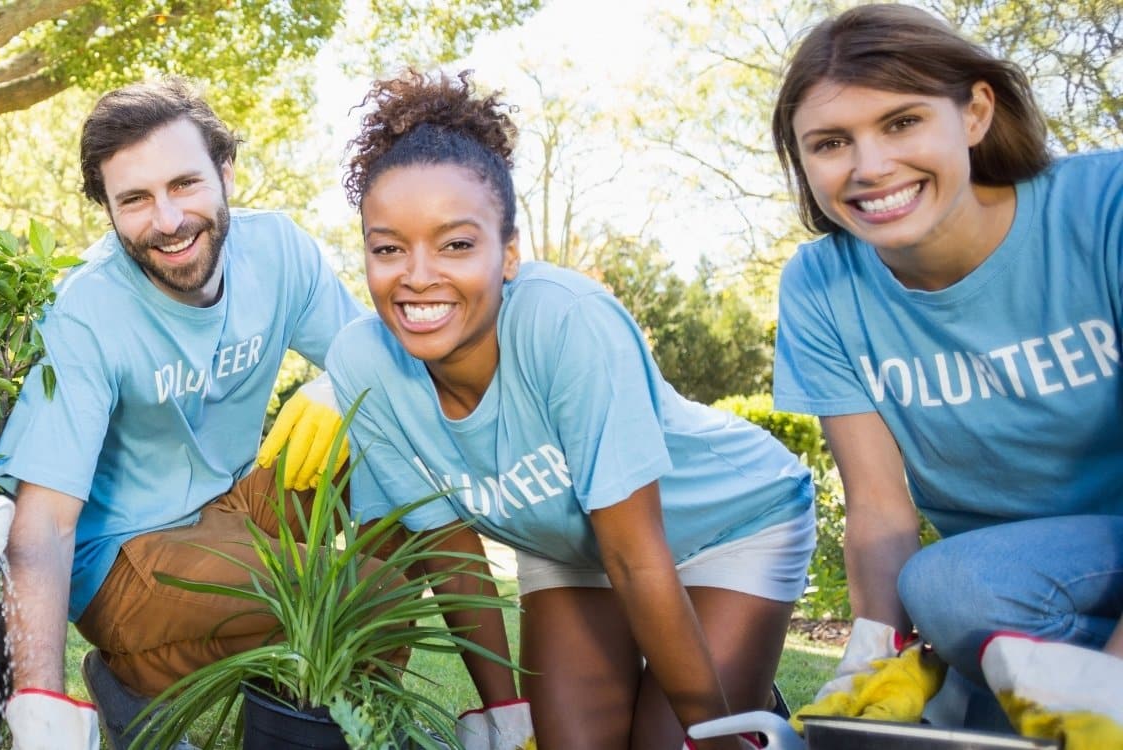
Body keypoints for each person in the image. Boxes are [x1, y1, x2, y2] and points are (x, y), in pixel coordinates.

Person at [328, 70, 817, 750]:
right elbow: (446, 547)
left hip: (728, 524)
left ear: (509, 254)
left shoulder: (567, 323)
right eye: (387, 248)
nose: (416, 274)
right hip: (571, 551)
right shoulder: (361, 363)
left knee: (676, 743)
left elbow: (634, 552)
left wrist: (713, 734)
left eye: (457, 244)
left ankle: (749, 706)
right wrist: (506, 713)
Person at [768, 3, 1123, 737]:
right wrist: (873, 656)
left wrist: (1113, 684)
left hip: (1054, 579)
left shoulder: (1105, 209)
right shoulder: (821, 286)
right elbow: (877, 506)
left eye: (902, 122)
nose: (870, 167)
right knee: (954, 588)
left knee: (958, 586)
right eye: (831, 142)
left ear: (975, 112)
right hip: (1005, 599)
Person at [0, 77, 367, 749]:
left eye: (184, 184)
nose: (166, 220)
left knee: (377, 432)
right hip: (128, 557)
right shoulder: (87, 308)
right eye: (134, 199)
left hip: (234, 507)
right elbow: (44, 521)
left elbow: (387, 370)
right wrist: (40, 707)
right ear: (106, 209)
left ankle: (151, 685)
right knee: (361, 596)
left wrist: (346, 382)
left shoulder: (279, 251)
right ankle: (142, 671)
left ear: (226, 173)